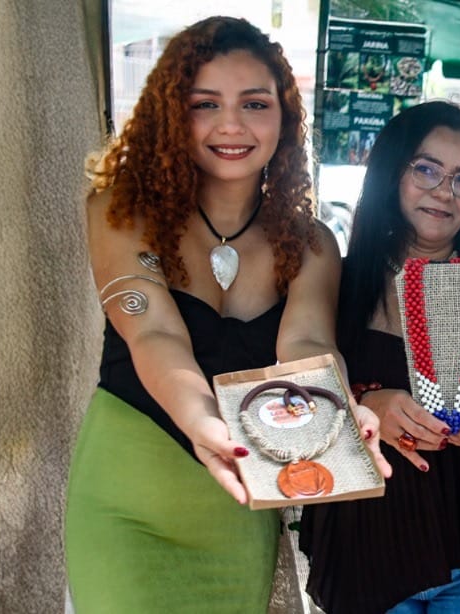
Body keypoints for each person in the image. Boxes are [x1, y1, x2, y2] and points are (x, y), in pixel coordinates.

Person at [64, 16, 389, 612]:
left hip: (238, 498)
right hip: (128, 495)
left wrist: (336, 410)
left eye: (255, 104)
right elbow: (154, 332)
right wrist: (204, 425)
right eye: (205, 104)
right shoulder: (122, 211)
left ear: (285, 118)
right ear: (172, 115)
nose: (232, 124)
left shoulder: (311, 243)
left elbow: (306, 345)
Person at [300, 100, 460, 613]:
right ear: (391, 172)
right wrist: (366, 405)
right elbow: (299, 396)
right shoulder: (339, 279)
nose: (445, 191)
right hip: (365, 547)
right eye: (426, 169)